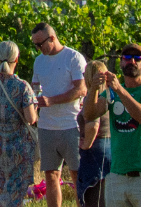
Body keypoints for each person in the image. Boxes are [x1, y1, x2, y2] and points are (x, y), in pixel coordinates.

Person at [80, 41, 141, 207]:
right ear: (121, 63)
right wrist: (94, 89)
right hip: (117, 176)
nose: (131, 61)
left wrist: (120, 89)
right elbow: (90, 114)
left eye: (137, 58)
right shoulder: (111, 92)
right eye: (127, 57)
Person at [30, 22, 88, 207]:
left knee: (77, 174)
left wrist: (52, 101)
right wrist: (35, 102)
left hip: (71, 124)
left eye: (40, 44)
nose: (38, 48)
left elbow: (81, 89)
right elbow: (36, 88)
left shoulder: (73, 58)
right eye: (35, 45)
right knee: (51, 174)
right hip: (46, 126)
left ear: (52, 38)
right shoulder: (39, 61)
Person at [0, 40, 40, 207]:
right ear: (16, 59)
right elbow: (30, 118)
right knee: (16, 192)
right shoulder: (22, 86)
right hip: (19, 145)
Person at [77, 61, 115, 207]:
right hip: (110, 146)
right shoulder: (110, 96)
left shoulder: (94, 97)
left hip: (95, 150)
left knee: (93, 198)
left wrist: (86, 144)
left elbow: (93, 124)